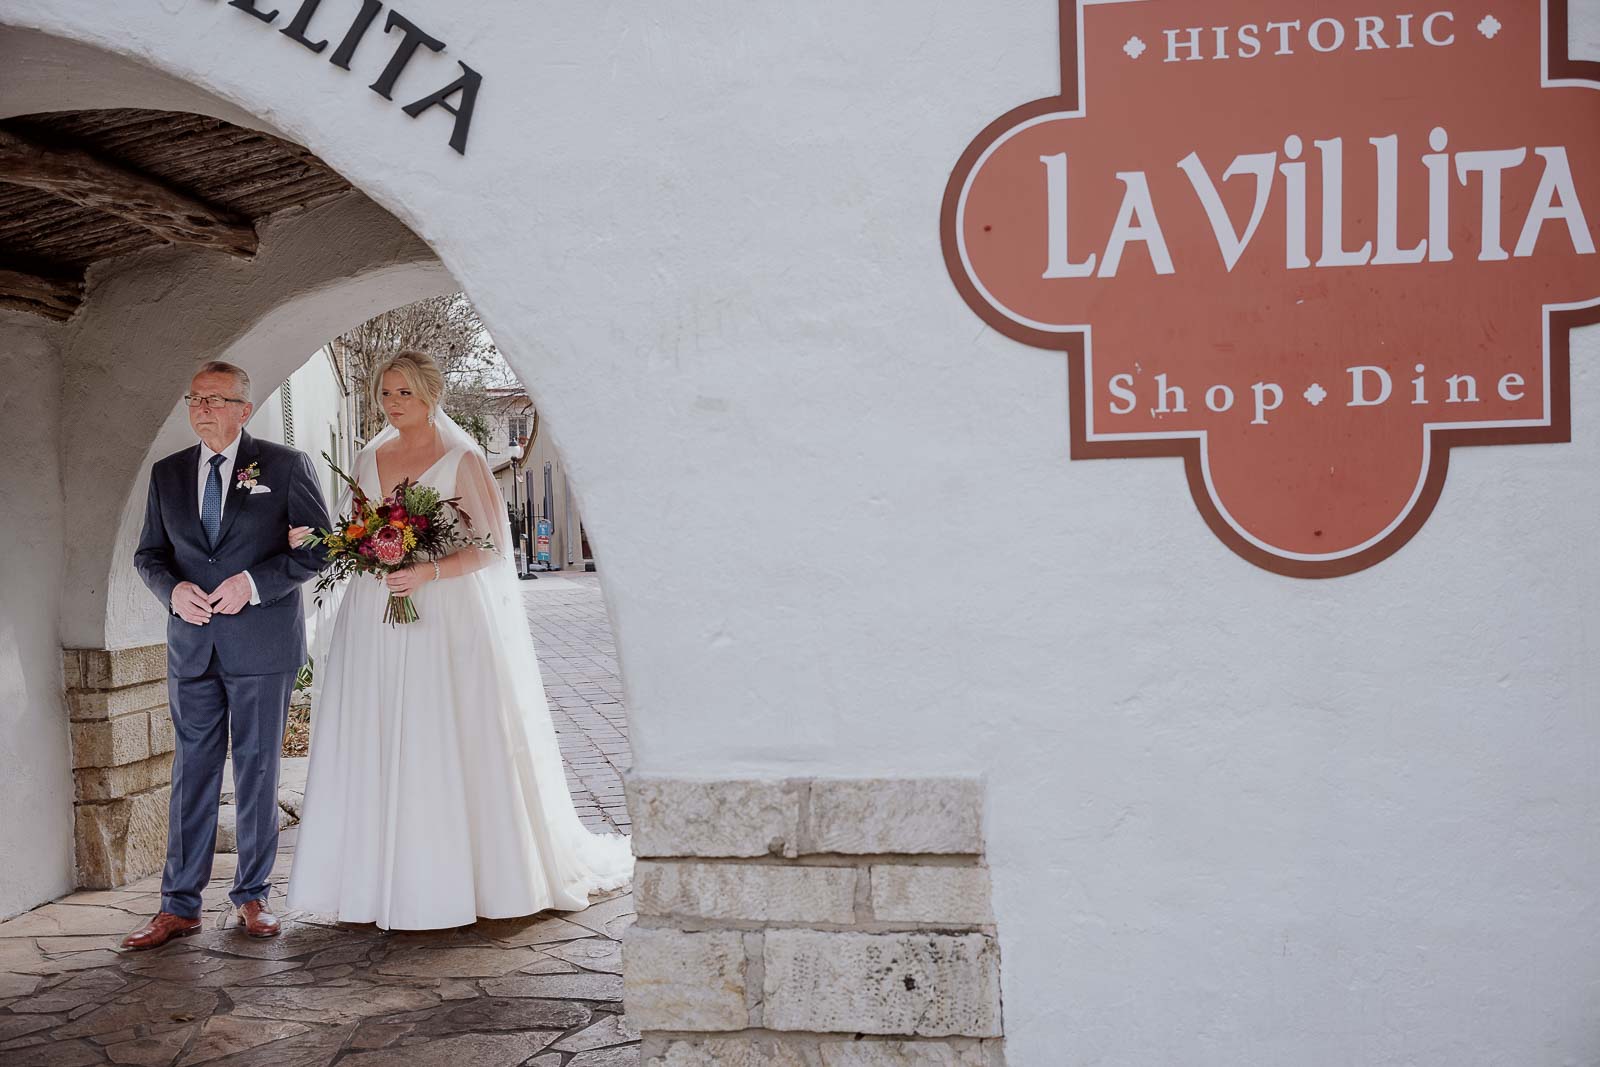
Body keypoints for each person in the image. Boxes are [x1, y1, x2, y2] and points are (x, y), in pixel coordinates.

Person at [285, 350, 631, 929]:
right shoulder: (370, 455)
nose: (394, 404)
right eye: (386, 394)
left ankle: (465, 878)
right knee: (378, 728)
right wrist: (338, 541)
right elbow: (355, 527)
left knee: (442, 725)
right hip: (377, 610)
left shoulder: (462, 457)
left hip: (444, 612)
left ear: (430, 395)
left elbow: (493, 547)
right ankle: (375, 881)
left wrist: (426, 571)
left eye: (405, 394)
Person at [122, 361, 332, 950]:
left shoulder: (284, 466)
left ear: (245, 408)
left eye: (216, 399)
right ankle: (178, 906)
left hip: (262, 644)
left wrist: (255, 583)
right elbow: (149, 555)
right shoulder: (166, 474)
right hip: (192, 647)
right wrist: (173, 591)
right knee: (192, 772)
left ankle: (254, 896)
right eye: (195, 399)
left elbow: (319, 551)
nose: (203, 409)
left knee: (260, 769)